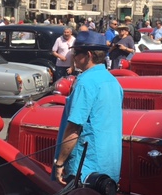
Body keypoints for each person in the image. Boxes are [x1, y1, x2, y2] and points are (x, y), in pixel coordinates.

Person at [53, 31, 123, 184]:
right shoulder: (113, 81)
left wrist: (60, 162)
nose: (73, 56)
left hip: (85, 168)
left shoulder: (85, 83)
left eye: (76, 52)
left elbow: (73, 129)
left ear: (88, 55)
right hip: (109, 164)